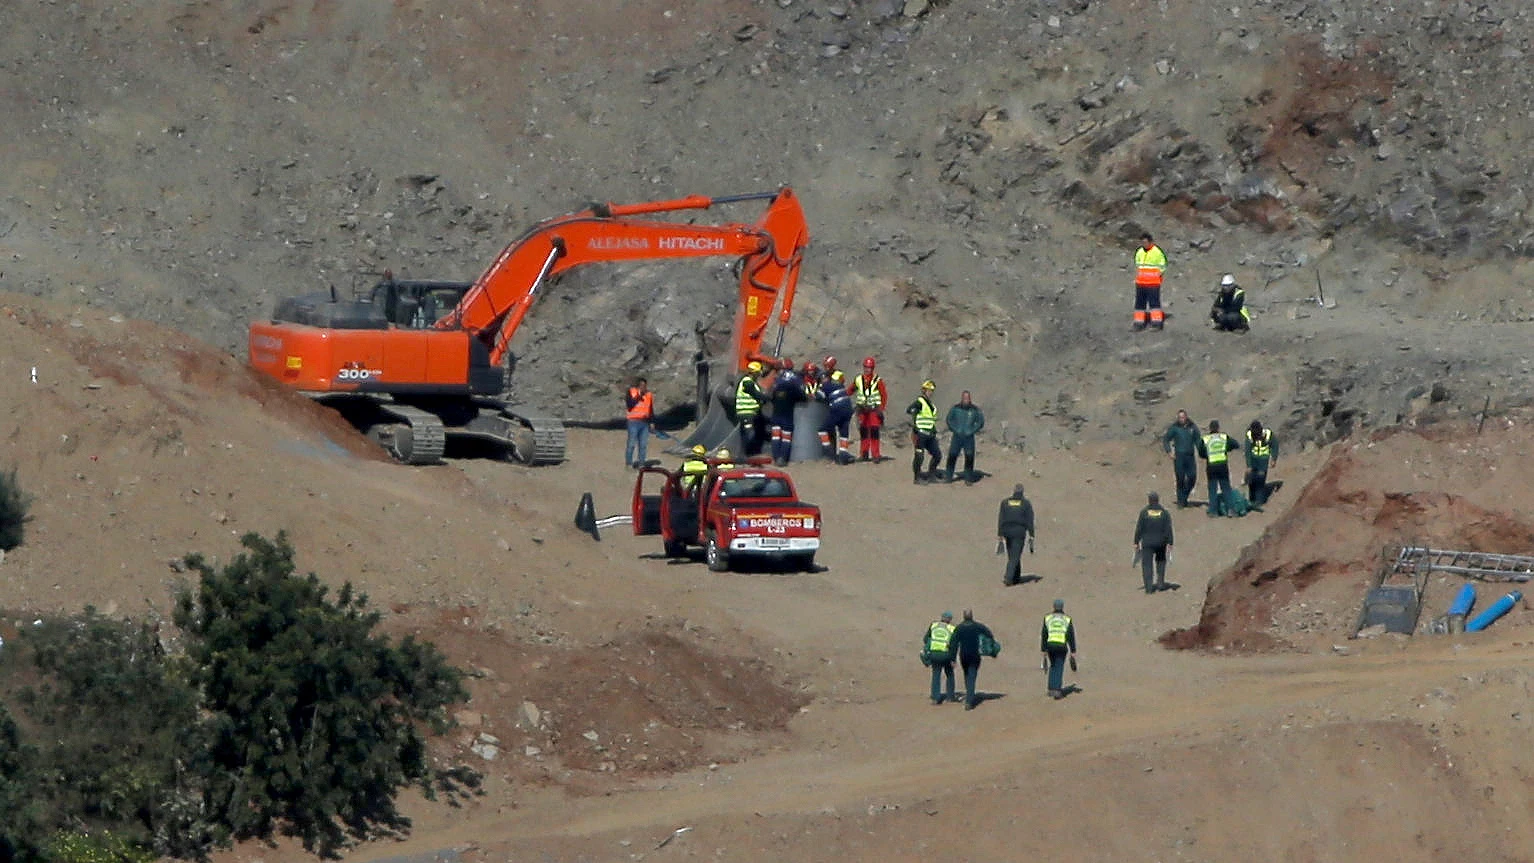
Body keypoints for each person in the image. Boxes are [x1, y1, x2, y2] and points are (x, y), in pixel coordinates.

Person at [951, 609, 996, 710]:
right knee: (972, 675)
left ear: (963, 616)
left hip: (964, 655)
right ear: (972, 616)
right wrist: (990, 648)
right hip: (975, 655)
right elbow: (989, 634)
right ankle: (969, 700)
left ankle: (969, 694)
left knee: (967, 675)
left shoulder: (959, 628)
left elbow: (953, 643)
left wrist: (953, 658)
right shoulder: (977, 626)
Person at [1133, 492, 1174, 593]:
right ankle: (1160, 583)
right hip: (1161, 542)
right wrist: (1170, 542)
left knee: (1147, 565)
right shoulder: (1164, 513)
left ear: (1149, 500)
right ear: (1158, 500)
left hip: (1147, 543)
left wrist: (1136, 541)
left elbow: (1139, 528)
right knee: (1160, 561)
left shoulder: (1144, 512)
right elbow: (1168, 528)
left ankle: (1148, 587)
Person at [1197, 420, 1239, 517]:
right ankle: (1231, 510)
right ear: (1218, 428)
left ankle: (1213, 511)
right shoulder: (1223, 437)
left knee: (1212, 489)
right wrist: (1226, 449)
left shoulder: (1205, 439)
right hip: (1223, 466)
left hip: (1211, 466)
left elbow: (1201, 453)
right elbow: (1235, 444)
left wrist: (1207, 455)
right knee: (1226, 488)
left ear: (1210, 428)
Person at [767, 357, 805, 467]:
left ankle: (776, 458)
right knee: (786, 438)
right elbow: (802, 396)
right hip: (787, 415)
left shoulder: (776, 381)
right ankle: (782, 459)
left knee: (775, 436)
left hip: (776, 413)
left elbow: (771, 396)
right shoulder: (794, 382)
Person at [997, 484, 1036, 587]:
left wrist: (1000, 533)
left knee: (1013, 554)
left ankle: (1016, 577)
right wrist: (1032, 534)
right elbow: (1029, 520)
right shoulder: (1026, 504)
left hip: (1007, 531)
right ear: (1022, 492)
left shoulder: (1005, 502)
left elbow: (1001, 518)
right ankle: (1008, 577)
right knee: (1015, 556)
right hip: (1019, 532)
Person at [1161, 409, 1202, 508]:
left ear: (1186, 417)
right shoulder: (1174, 428)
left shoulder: (1192, 427)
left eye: (1183, 417)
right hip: (1179, 456)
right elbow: (1166, 439)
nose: (1181, 419)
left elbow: (1198, 440)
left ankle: (1184, 497)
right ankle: (1180, 501)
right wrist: (1169, 452)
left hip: (1190, 456)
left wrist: (1202, 451)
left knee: (1192, 477)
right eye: (1179, 417)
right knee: (1180, 478)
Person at [816, 363, 855, 464]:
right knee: (843, 433)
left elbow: (819, 397)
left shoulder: (824, 387)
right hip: (848, 408)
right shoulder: (838, 384)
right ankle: (843, 455)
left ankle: (829, 452)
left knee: (822, 430)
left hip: (838, 409)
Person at [852, 356, 889, 462]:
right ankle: (864, 454)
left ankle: (876, 455)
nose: (868, 369)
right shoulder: (858, 379)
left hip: (873, 409)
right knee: (863, 431)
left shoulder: (878, 380)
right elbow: (851, 390)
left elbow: (883, 395)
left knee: (874, 431)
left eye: (870, 368)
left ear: (873, 368)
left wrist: (881, 408)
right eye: (866, 367)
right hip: (862, 409)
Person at [943, 391, 986, 482]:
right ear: (961, 398)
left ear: (970, 399)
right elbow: (949, 419)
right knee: (952, 455)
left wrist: (972, 430)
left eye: (968, 398)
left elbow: (980, 422)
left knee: (969, 457)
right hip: (957, 436)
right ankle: (948, 476)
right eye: (964, 398)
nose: (966, 400)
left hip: (969, 437)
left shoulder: (975, 410)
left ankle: (968, 478)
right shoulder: (955, 408)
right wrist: (955, 429)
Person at [1040, 599, 1077, 700]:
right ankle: (1056, 689)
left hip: (1050, 645)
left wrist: (1043, 649)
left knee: (1053, 666)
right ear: (1062, 607)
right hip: (1061, 645)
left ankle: (1051, 688)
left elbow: (1044, 633)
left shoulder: (1048, 618)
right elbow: (1070, 635)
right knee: (1059, 666)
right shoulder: (1067, 619)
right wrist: (1073, 651)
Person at [906, 379, 941, 484]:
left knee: (937, 455)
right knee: (919, 456)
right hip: (920, 434)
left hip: (930, 434)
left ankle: (931, 474)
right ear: (924, 391)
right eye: (928, 390)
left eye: (931, 391)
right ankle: (917, 477)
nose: (930, 393)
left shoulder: (932, 406)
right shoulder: (919, 402)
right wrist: (914, 414)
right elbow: (909, 409)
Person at [733, 361, 770, 458]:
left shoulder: (752, 382)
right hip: (746, 412)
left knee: (746, 434)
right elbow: (754, 393)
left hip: (750, 413)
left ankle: (745, 455)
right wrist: (767, 398)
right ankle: (746, 455)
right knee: (749, 434)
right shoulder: (747, 382)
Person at [1132, 232, 1167, 331]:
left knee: (1154, 304)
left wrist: (1156, 275)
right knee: (1139, 304)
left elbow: (1163, 266)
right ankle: (1139, 323)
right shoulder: (1139, 252)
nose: (1144, 244)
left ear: (1150, 242)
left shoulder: (1157, 252)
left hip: (1153, 283)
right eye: (1142, 242)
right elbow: (1138, 265)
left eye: (1146, 242)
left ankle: (1157, 323)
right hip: (1141, 283)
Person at [922, 611, 957, 705]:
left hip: (934, 654)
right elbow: (954, 645)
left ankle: (935, 697)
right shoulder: (952, 628)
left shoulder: (934, 625)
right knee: (949, 674)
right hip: (946, 654)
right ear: (949, 619)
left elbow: (925, 639)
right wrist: (953, 659)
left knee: (936, 675)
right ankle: (950, 696)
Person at [1245, 420, 1277, 506]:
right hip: (1253, 460)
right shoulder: (1249, 435)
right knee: (1251, 481)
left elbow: (1275, 445)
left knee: (1260, 480)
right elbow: (1247, 450)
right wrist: (1248, 465)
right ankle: (1252, 500)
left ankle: (1259, 501)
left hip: (1263, 460)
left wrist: (1274, 458)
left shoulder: (1268, 435)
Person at [624, 377, 655, 468]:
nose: (643, 387)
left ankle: (642, 464)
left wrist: (652, 422)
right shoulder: (631, 392)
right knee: (631, 444)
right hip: (633, 422)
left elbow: (651, 409)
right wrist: (639, 396)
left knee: (643, 445)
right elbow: (629, 405)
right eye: (641, 385)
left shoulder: (649, 395)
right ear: (638, 386)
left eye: (645, 386)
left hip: (644, 422)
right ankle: (629, 463)